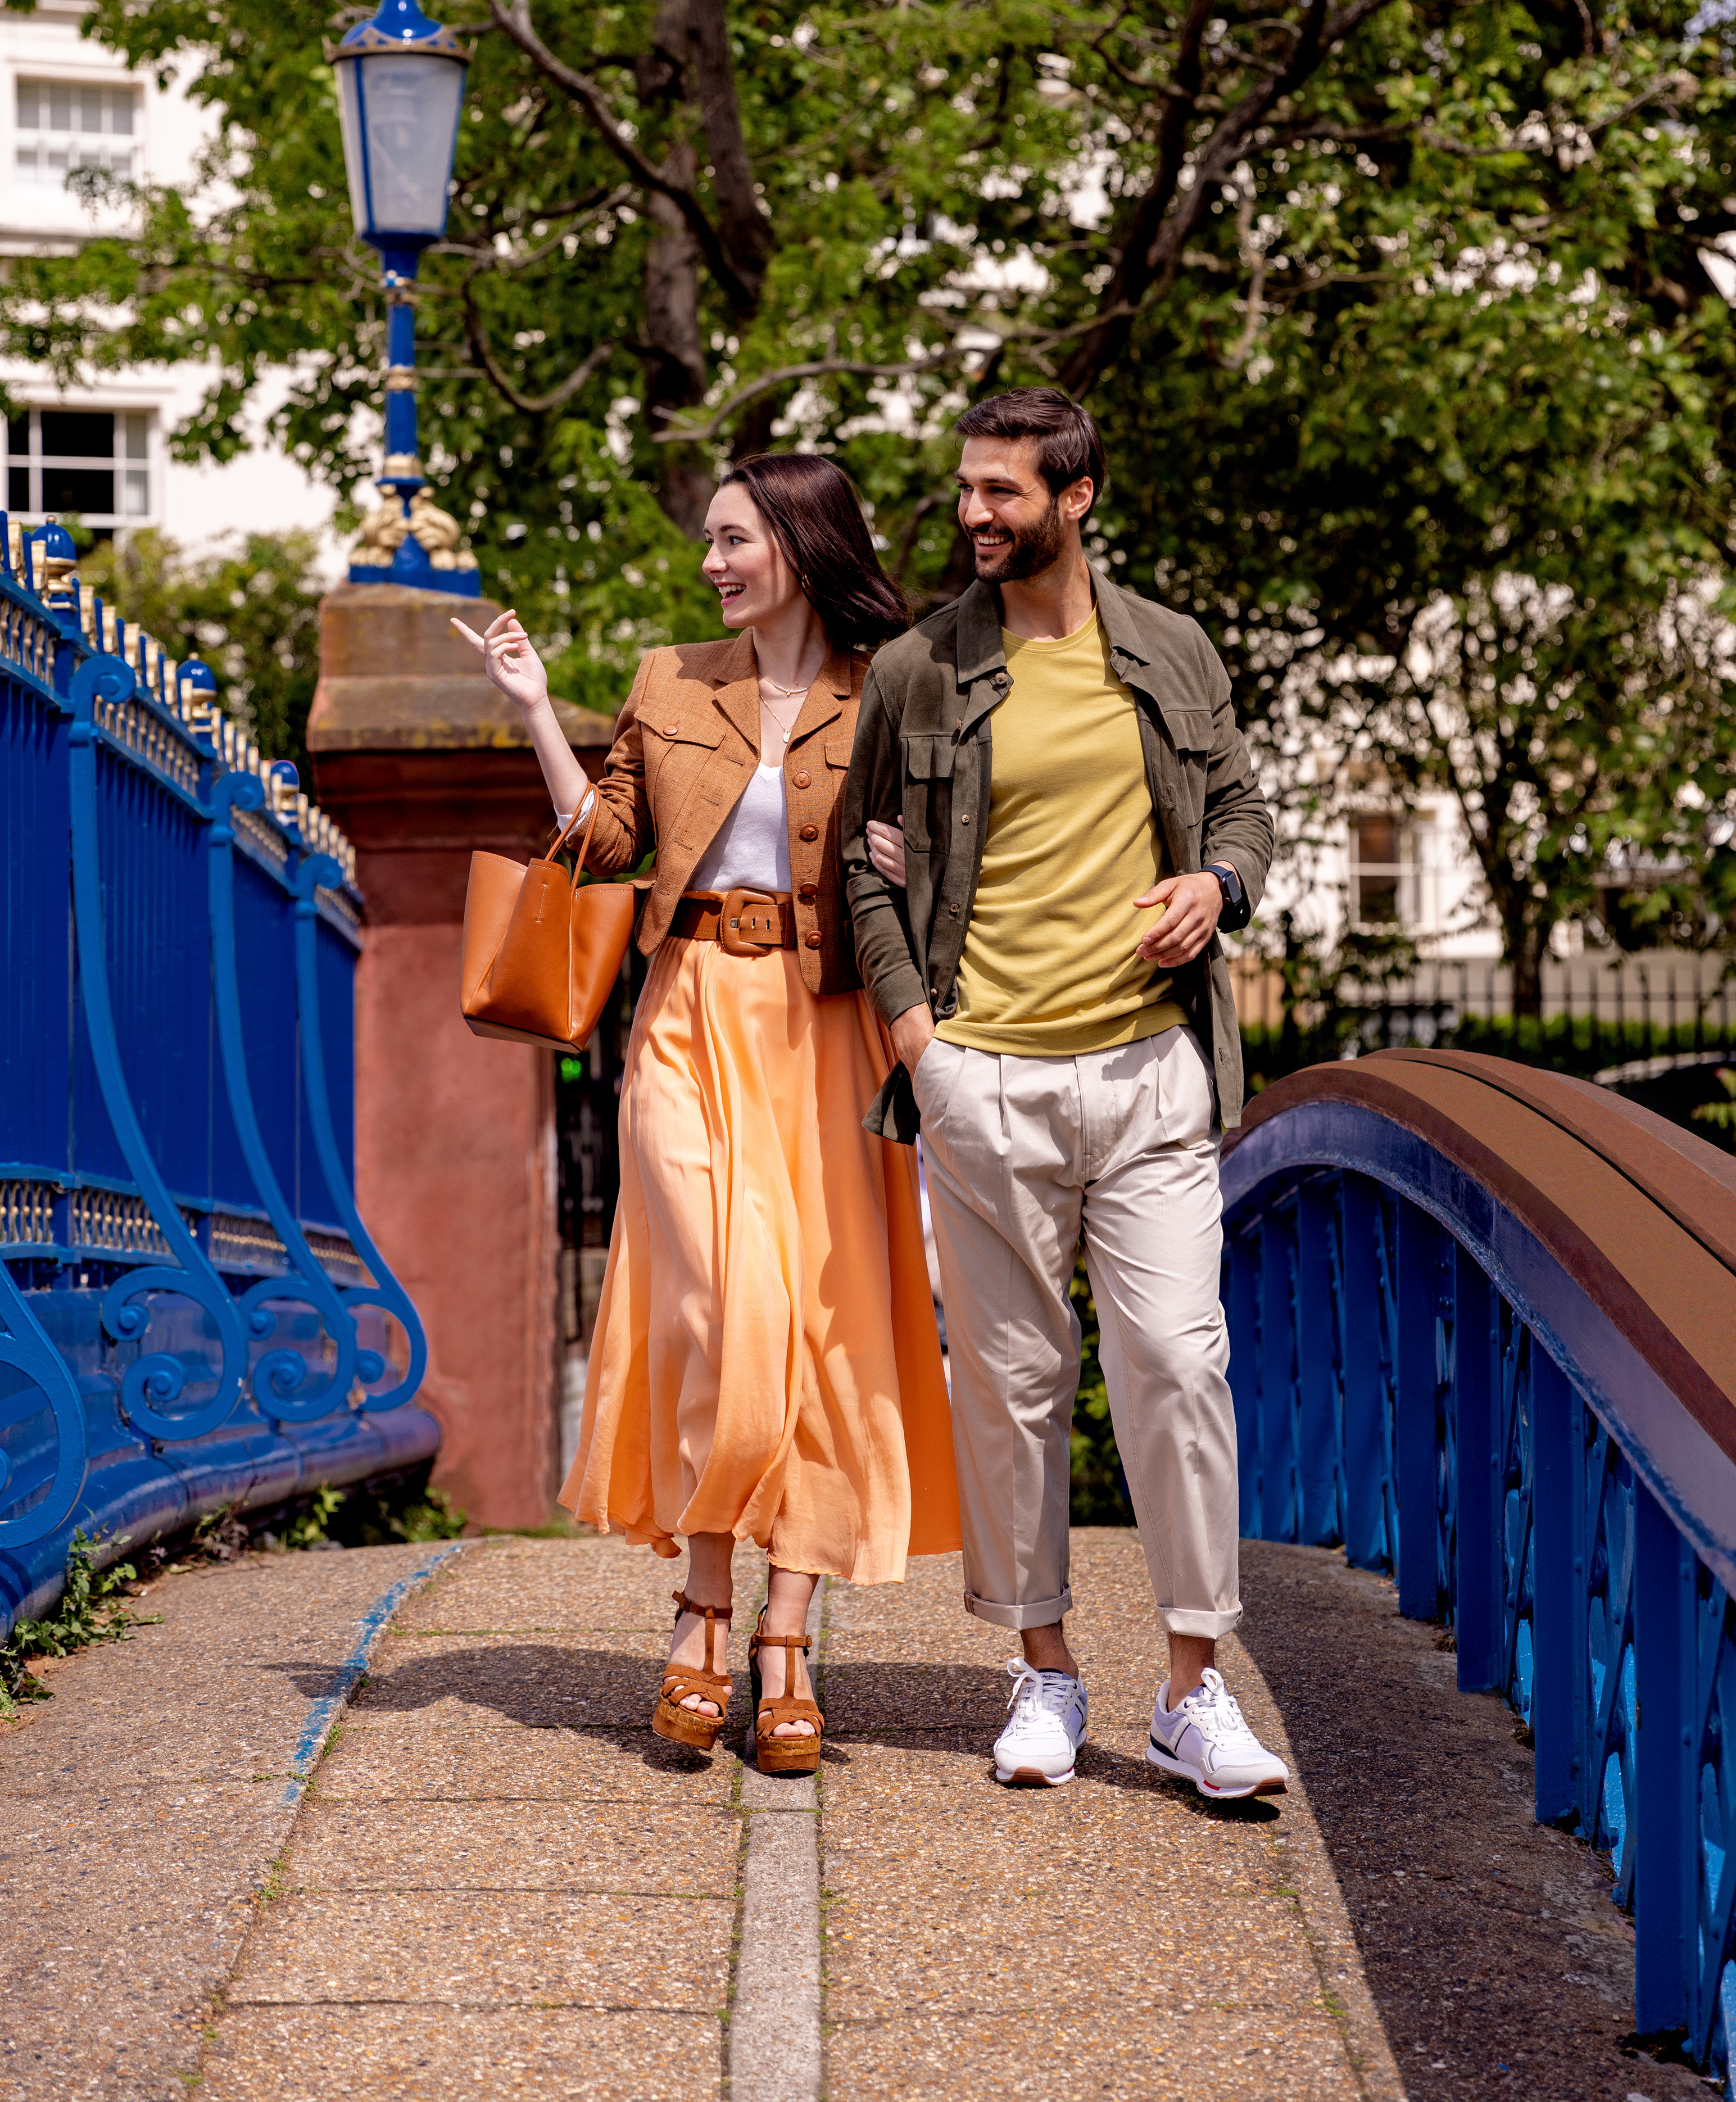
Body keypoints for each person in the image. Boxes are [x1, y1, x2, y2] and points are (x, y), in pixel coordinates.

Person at [460, 454, 960, 1775]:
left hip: (833, 1027)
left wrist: (918, 865)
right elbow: (604, 843)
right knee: (712, 1310)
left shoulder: (897, 685)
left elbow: (954, 854)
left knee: (820, 1327)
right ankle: (702, 1594)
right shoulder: (670, 679)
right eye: (709, 542)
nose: (712, 562)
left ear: (799, 542)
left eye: (733, 538)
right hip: (687, 1011)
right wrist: (532, 711)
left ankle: (779, 1637)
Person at [844, 387, 1286, 1802]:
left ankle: (1193, 1691)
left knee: (1178, 1365)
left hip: (1153, 1069)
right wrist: (920, 1038)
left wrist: (1216, 888)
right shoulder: (920, 666)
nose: (974, 514)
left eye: (1003, 494)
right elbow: (864, 859)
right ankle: (1043, 1669)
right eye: (966, 489)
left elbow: (1244, 815)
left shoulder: (1171, 651)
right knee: (1017, 1384)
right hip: (986, 1080)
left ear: (1077, 496)